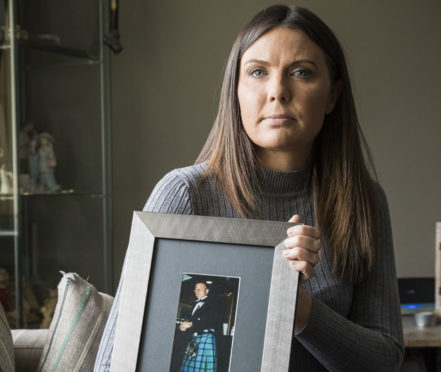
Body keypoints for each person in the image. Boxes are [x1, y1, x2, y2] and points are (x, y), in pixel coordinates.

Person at [96, 5, 403, 371]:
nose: (278, 91)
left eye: (301, 72)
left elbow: (385, 361)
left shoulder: (365, 202)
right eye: (258, 72)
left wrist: (299, 309)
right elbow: (116, 360)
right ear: (236, 90)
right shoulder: (184, 194)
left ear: (333, 95)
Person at [175, 282, 222, 372]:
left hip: (205, 338)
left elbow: (211, 321)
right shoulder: (194, 305)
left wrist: (191, 324)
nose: (197, 291)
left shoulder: (214, 303)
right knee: (189, 368)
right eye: (196, 289)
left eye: (200, 289)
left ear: (207, 291)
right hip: (194, 339)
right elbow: (192, 323)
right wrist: (182, 327)